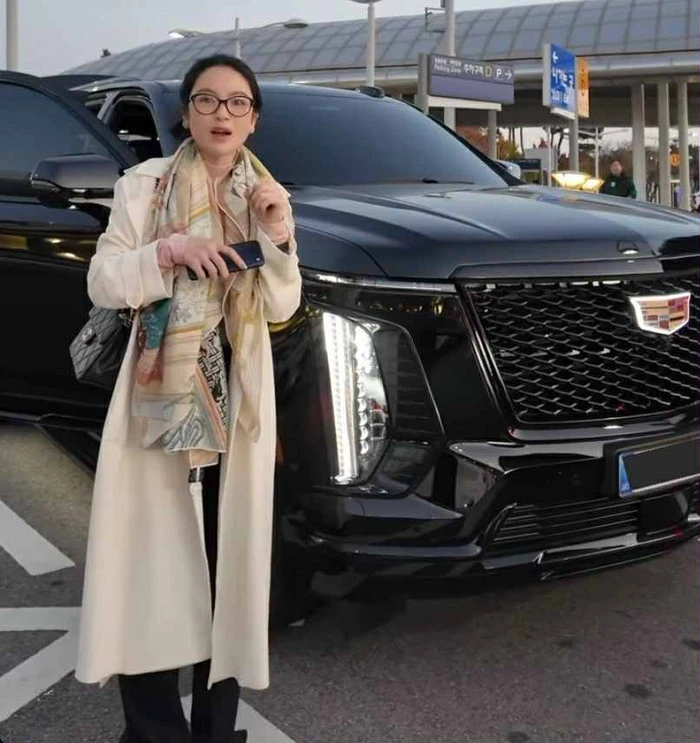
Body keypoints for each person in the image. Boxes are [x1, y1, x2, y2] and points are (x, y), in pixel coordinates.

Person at [74, 54, 302, 743]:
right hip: (158, 396)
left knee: (225, 571)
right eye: (207, 100)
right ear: (187, 113)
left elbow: (282, 303)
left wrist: (277, 236)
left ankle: (215, 730)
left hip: (237, 397)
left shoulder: (269, 194)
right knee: (151, 567)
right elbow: (102, 280)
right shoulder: (143, 185)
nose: (222, 114)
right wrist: (166, 252)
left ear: (253, 119)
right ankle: (153, 731)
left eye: (237, 103)